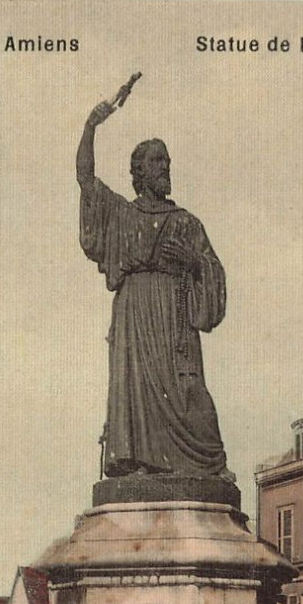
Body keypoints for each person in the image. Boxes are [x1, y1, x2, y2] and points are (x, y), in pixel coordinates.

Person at [77, 98, 233, 480]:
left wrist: (195, 263)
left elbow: (214, 274)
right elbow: (85, 179)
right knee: (136, 392)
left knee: (190, 392)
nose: (166, 168)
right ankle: (140, 465)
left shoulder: (186, 223)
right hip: (135, 314)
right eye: (157, 161)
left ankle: (206, 467)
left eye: (167, 161)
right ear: (139, 172)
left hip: (175, 319)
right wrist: (90, 127)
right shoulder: (121, 214)